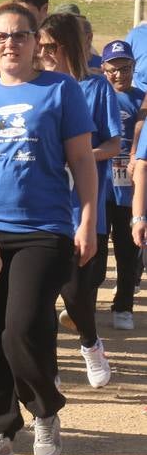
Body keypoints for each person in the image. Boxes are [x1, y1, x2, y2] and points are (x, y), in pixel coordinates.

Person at [0, 3, 97, 455]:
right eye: (1, 36)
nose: (10, 43)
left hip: (44, 230)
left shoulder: (61, 89)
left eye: (20, 35)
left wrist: (88, 218)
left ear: (36, 42)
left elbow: (82, 161)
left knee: (22, 328)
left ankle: (45, 411)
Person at [38, 13, 119, 387]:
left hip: (83, 207)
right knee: (39, 294)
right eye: (39, 46)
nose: (43, 54)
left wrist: (79, 156)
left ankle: (90, 344)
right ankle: (49, 368)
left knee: (74, 290)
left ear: (69, 46)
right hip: (42, 207)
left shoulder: (97, 88)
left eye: (50, 47)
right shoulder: (36, 87)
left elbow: (113, 144)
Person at [101, 40, 142, 331]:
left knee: (128, 251)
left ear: (134, 68)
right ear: (103, 70)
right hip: (100, 187)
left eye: (125, 69)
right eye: (113, 70)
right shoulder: (97, 96)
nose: (119, 75)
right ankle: (86, 300)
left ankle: (124, 305)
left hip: (130, 190)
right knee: (97, 250)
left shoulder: (142, 99)